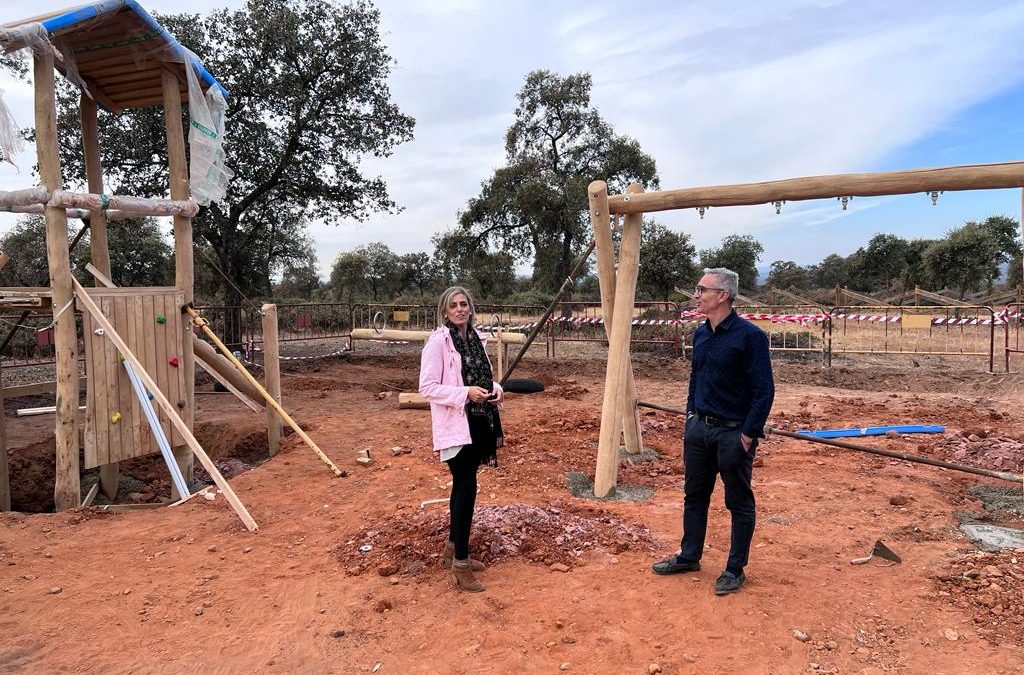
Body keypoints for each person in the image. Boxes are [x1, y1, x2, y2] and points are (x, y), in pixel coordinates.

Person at [652, 267, 774, 595]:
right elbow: (696, 376)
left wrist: (747, 435)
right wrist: (691, 415)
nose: (696, 295)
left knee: (738, 502)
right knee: (694, 496)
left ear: (723, 295)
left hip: (733, 435)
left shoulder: (750, 337)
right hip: (699, 431)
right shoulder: (701, 334)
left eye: (701, 289)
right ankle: (689, 555)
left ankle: (734, 569)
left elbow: (764, 391)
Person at [419, 286, 504, 593]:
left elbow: (483, 377)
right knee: (467, 488)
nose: (459, 309)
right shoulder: (438, 342)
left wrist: (494, 390)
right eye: (453, 305)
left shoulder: (477, 339)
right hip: (457, 424)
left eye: (463, 304)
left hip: (480, 421)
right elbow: (427, 387)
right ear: (445, 311)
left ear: (470, 307)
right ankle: (461, 564)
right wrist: (465, 393)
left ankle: (453, 549)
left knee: (463, 485)